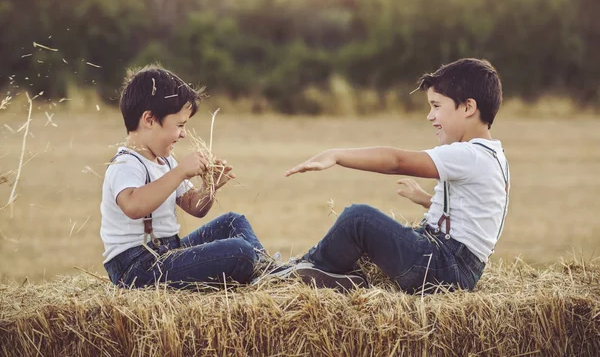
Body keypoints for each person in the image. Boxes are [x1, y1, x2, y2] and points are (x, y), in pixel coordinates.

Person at [281, 58, 510, 293]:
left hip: (443, 265)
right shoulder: (494, 156)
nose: (430, 116)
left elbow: (396, 162)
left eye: (437, 106)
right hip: (457, 267)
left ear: (468, 108)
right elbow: (477, 213)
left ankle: (299, 274)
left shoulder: (468, 154)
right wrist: (425, 200)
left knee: (358, 219)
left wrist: (336, 155)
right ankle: (333, 276)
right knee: (369, 243)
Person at [101, 65, 269, 289]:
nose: (184, 133)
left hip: (167, 253)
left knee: (233, 221)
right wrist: (180, 172)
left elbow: (194, 206)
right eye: (180, 125)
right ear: (149, 120)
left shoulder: (165, 161)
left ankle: (272, 275)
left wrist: (210, 187)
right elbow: (133, 206)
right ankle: (266, 275)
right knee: (240, 253)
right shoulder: (126, 163)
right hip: (136, 268)